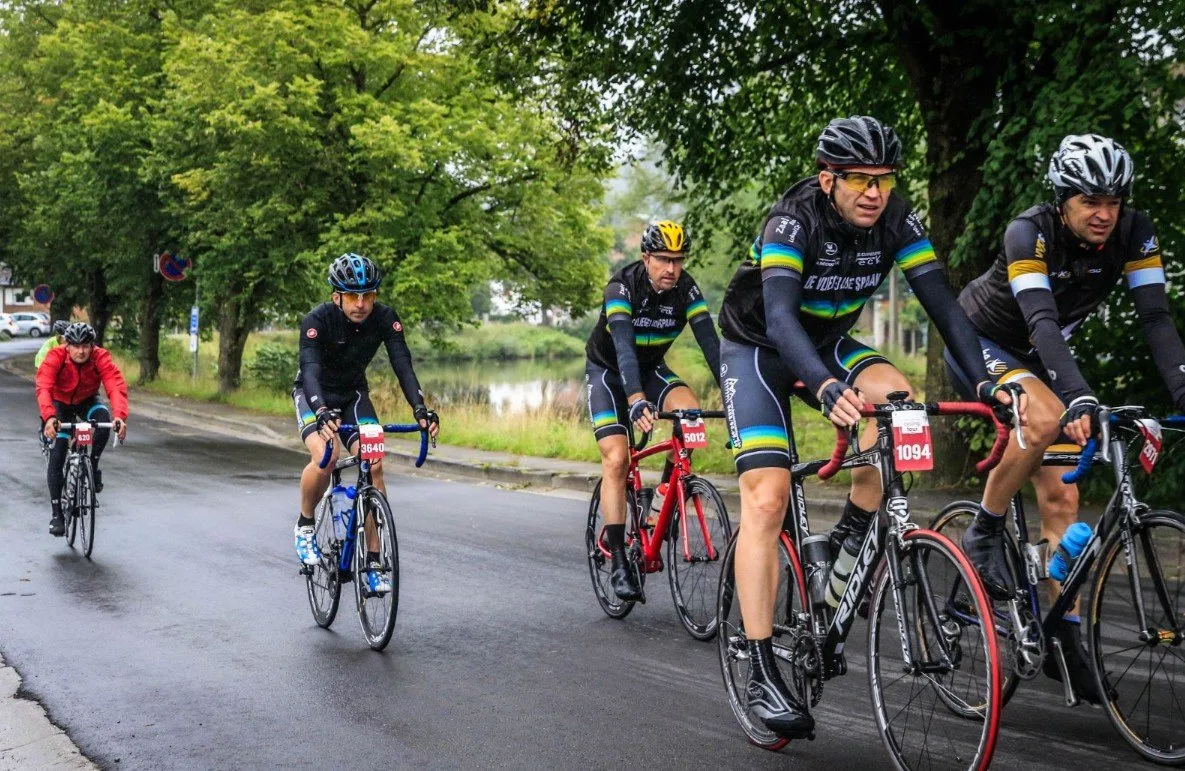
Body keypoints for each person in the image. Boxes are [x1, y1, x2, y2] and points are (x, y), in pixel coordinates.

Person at [716, 116, 1022, 738]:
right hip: (759, 348)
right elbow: (779, 317)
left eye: (884, 179)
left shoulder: (897, 219)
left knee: (899, 405)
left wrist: (987, 383)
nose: (875, 192)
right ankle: (759, 666)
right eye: (860, 179)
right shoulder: (792, 220)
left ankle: (850, 541)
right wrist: (826, 388)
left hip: (827, 341)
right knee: (767, 497)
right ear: (829, 178)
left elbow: (945, 307)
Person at [949, 133, 1185, 702]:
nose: (1105, 214)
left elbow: (1155, 318)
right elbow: (1041, 324)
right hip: (983, 341)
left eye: (1114, 201)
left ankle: (1065, 638)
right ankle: (983, 529)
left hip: (1044, 356)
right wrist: (1077, 395)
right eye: (1090, 202)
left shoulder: (1136, 230)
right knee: (1052, 414)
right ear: (1062, 200)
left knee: (1062, 499)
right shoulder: (1028, 233)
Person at [584, 220, 721, 601]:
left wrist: (734, 393)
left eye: (677, 260)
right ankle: (619, 566)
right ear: (646, 258)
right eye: (663, 259)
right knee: (616, 459)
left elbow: (712, 345)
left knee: (690, 414)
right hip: (610, 373)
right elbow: (625, 348)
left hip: (653, 369)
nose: (671, 269)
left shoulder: (687, 288)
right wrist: (635, 399)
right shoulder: (621, 287)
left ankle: (659, 499)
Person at [293, 253, 439, 594]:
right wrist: (322, 411)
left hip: (353, 395)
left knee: (373, 464)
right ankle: (304, 524)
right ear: (336, 297)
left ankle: (374, 559)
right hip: (314, 394)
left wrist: (420, 408)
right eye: (353, 296)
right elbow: (310, 371)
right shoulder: (317, 320)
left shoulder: (385, 318)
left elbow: (403, 365)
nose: (361, 304)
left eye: (368, 295)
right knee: (326, 458)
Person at [36, 322, 128, 536]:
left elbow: (115, 385)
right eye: (75, 346)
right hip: (60, 404)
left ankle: (93, 465)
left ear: (92, 346)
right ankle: (57, 514)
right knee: (58, 453)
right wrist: (49, 417)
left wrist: (120, 417)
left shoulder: (100, 357)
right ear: (67, 346)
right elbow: (44, 387)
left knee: (104, 421)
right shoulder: (56, 357)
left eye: (86, 346)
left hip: (87, 400)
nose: (81, 351)